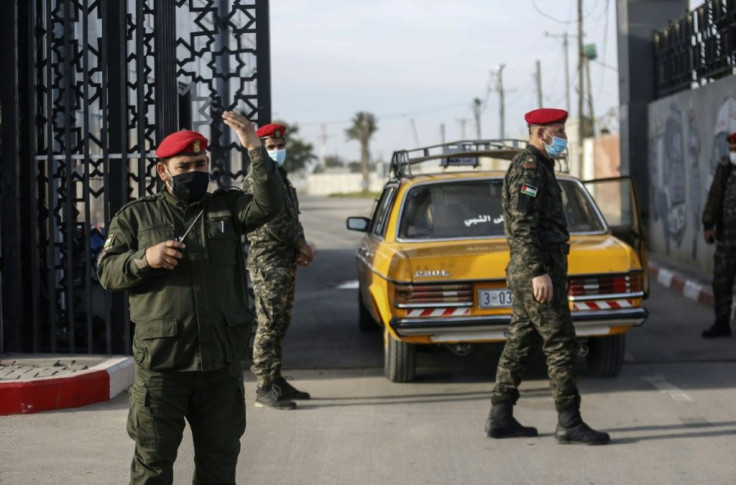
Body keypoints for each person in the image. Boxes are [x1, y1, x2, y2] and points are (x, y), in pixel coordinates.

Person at [97, 112, 284, 484]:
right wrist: (144, 259)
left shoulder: (228, 208)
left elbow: (271, 203)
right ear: (163, 172)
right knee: (153, 464)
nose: (195, 171)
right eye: (184, 165)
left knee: (219, 463)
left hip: (219, 365)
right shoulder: (136, 217)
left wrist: (255, 149)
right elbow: (107, 271)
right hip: (163, 368)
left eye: (201, 164)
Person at [485, 108, 611, 445]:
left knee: (520, 341)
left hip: (534, 269)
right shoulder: (530, 169)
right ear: (541, 134)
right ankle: (569, 422)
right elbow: (522, 224)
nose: (564, 137)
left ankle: (500, 416)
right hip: (537, 272)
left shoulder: (540, 166)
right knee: (561, 344)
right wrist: (540, 272)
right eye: (559, 130)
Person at [244, 123, 315, 410]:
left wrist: (299, 246)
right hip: (267, 260)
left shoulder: (281, 178)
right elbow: (273, 221)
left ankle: (276, 378)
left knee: (282, 320)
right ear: (259, 148)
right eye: (269, 147)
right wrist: (300, 244)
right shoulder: (258, 181)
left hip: (284, 258)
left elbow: (291, 219)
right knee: (269, 321)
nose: (276, 151)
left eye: (279, 146)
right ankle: (263, 386)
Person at [701, 131, 736, 338]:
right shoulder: (724, 168)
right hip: (726, 237)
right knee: (721, 281)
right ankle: (722, 323)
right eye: (732, 148)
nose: (733, 151)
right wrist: (708, 224)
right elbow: (714, 197)